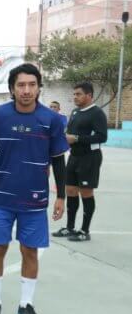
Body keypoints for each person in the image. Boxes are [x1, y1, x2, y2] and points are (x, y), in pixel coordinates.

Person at [0, 63, 68, 314]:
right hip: (1, 198)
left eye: (32, 85)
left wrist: (61, 196)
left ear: (39, 88)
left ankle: (25, 305)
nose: (27, 90)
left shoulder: (51, 119)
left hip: (34, 201)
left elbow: (58, 160)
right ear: (11, 88)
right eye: (21, 85)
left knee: (29, 251)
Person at [52, 82, 108, 242]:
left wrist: (76, 138)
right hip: (74, 156)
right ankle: (70, 228)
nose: (75, 97)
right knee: (70, 190)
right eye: (74, 94)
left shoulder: (97, 113)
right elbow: (70, 132)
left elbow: (102, 136)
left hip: (90, 157)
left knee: (86, 192)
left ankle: (84, 230)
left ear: (89, 95)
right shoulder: (75, 112)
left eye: (78, 94)